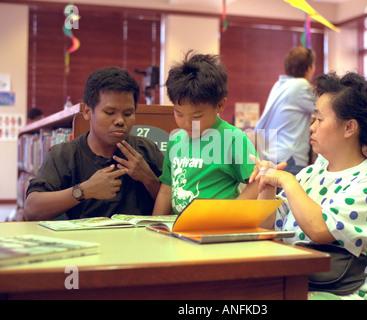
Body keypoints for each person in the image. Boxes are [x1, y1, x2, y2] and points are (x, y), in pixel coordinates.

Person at [249, 72, 367, 300]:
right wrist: (267, 185)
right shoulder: (311, 173)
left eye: (319, 119)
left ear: (349, 128)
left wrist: (286, 180)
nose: (311, 127)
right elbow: (268, 230)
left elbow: (318, 229)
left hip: (352, 292)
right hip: (304, 285)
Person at [24, 67, 164, 221]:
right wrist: (84, 190)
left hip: (139, 242)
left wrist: (149, 179)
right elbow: (31, 210)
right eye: (110, 112)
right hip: (84, 243)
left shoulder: (146, 150)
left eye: (128, 114)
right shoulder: (65, 155)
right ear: (87, 111)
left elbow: (175, 207)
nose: (120, 121)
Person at [153, 51, 258, 215]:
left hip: (215, 229)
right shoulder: (175, 140)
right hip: (179, 228)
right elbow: (166, 191)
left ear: (221, 105)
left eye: (197, 116)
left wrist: (230, 214)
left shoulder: (232, 139)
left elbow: (256, 184)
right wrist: (155, 226)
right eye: (179, 114)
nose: (187, 123)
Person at [254, 46, 316, 176]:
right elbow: (324, 108)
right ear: (309, 68)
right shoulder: (301, 85)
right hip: (290, 159)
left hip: (272, 155)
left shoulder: (279, 85)